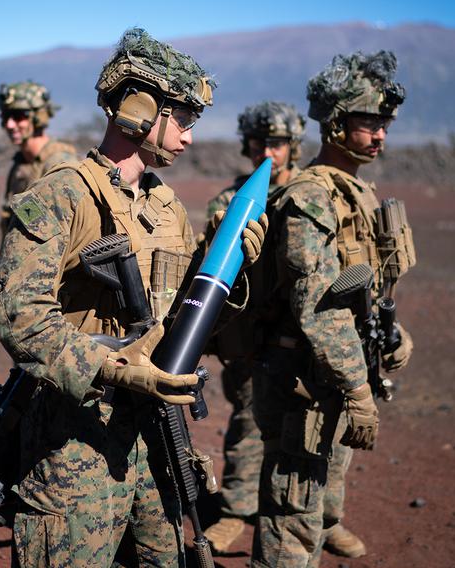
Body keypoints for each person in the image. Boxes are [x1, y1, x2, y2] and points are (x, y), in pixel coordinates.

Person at [0, 28, 265, 567]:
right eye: (182, 118)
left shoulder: (166, 207)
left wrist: (229, 278)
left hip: (154, 443)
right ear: (140, 108)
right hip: (75, 447)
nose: (189, 136)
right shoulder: (63, 194)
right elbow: (18, 315)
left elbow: (184, 321)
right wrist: (116, 369)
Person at [250, 51, 416, 567]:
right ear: (337, 124)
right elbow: (317, 307)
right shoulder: (311, 197)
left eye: (385, 124)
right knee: (293, 515)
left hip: (336, 374)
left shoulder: (358, 192)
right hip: (304, 378)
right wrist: (357, 389)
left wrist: (395, 336)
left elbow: (362, 291)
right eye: (370, 123)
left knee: (320, 509)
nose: (381, 134)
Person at [202, 101, 305, 553]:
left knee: (312, 433)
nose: (269, 150)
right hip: (250, 339)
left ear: (293, 147)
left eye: (278, 143)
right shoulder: (230, 201)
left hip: (300, 338)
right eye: (261, 142)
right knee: (246, 426)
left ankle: (322, 515)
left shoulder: (308, 196)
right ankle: (235, 513)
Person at [0, 80, 77, 237]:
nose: (10, 124)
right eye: (6, 116)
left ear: (38, 117)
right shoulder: (21, 165)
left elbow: (62, 235)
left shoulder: (59, 165)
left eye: (19, 116)